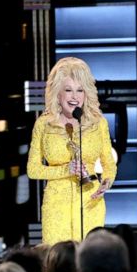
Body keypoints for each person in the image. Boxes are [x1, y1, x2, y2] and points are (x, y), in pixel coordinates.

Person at [26, 57, 117, 245]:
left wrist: (106, 183)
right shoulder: (44, 124)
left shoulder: (98, 123)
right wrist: (64, 170)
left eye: (80, 90)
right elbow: (33, 169)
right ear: (57, 93)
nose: (74, 97)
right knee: (58, 259)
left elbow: (109, 164)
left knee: (89, 260)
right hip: (56, 205)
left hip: (90, 202)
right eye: (68, 90)